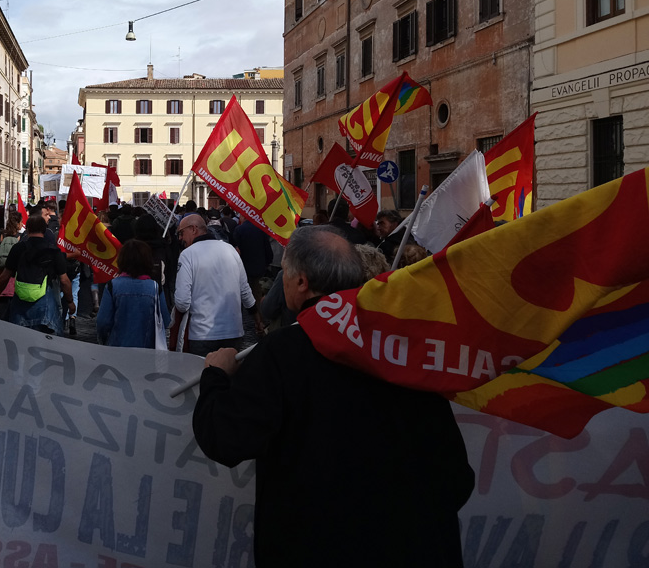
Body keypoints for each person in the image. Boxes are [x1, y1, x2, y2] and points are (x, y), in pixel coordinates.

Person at [193, 226, 474, 566]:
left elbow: (225, 438)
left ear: (300, 284)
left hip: (316, 548)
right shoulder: (407, 346)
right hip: (420, 548)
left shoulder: (282, 353)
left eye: (285, 271)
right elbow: (457, 476)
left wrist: (215, 377)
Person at [170, 214, 262, 356]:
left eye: (181, 233)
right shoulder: (231, 250)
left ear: (194, 229)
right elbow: (245, 292)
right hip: (233, 332)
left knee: (201, 376)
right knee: (228, 376)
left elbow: (182, 302)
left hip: (202, 334)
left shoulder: (187, 255)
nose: (180, 238)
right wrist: (257, 319)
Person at [0, 215, 74, 335]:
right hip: (45, 304)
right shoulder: (53, 251)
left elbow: (5, 276)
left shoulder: (18, 249)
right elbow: (64, 280)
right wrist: (70, 302)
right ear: (45, 230)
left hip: (20, 304)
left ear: (27, 230)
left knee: (18, 341)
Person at [97, 239, 170, 348]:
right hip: (147, 351)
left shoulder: (113, 286)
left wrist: (104, 341)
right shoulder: (154, 287)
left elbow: (102, 322)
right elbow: (166, 320)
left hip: (117, 350)